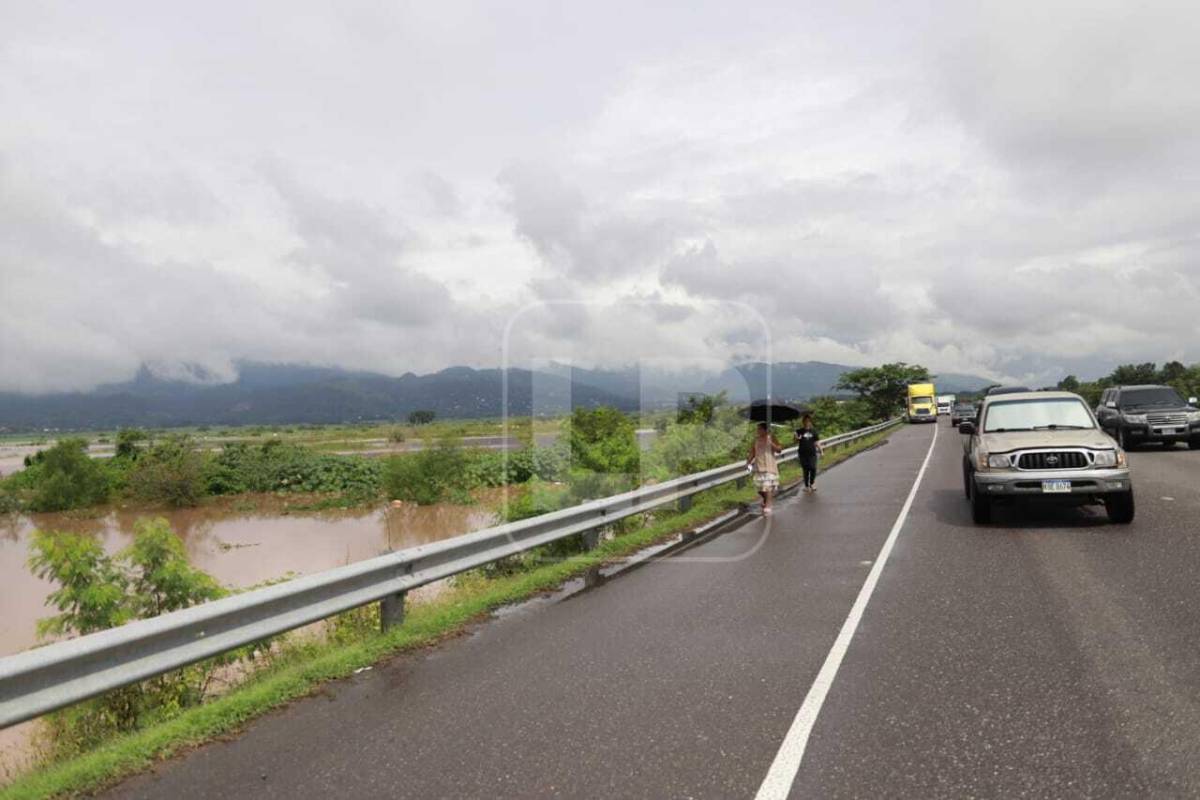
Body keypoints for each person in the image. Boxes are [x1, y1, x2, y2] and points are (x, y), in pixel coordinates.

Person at [746, 422, 783, 514]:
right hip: (758, 467)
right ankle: (767, 500)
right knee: (759, 489)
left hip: (769, 466)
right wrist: (748, 462)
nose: (758, 431)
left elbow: (779, 450)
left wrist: (771, 443)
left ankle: (768, 505)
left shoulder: (771, 438)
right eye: (757, 429)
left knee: (767, 487)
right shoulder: (756, 440)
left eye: (760, 429)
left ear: (765, 430)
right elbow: (752, 452)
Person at [795, 413, 823, 492]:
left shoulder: (814, 431)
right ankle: (807, 486)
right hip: (803, 453)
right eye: (805, 421)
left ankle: (812, 483)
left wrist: (821, 451)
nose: (807, 422)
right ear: (803, 422)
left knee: (813, 468)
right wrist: (797, 438)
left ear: (810, 422)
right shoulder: (799, 431)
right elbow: (795, 441)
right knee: (806, 469)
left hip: (812, 453)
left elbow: (817, 442)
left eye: (808, 421)